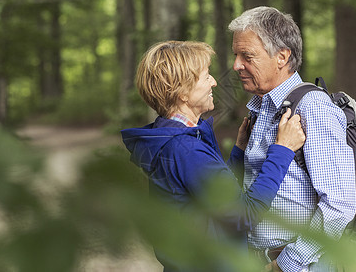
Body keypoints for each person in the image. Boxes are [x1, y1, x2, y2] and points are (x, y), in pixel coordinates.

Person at [121, 40, 306, 272]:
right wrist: (283, 149)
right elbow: (243, 215)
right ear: (183, 93)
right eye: (205, 76)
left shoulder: (173, 137)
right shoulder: (185, 149)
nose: (214, 82)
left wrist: (238, 151)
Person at [228, 6, 356, 271]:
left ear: (281, 57)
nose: (236, 65)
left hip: (302, 264)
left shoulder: (313, 109)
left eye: (247, 56)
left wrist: (285, 264)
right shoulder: (262, 107)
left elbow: (339, 204)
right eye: (236, 55)